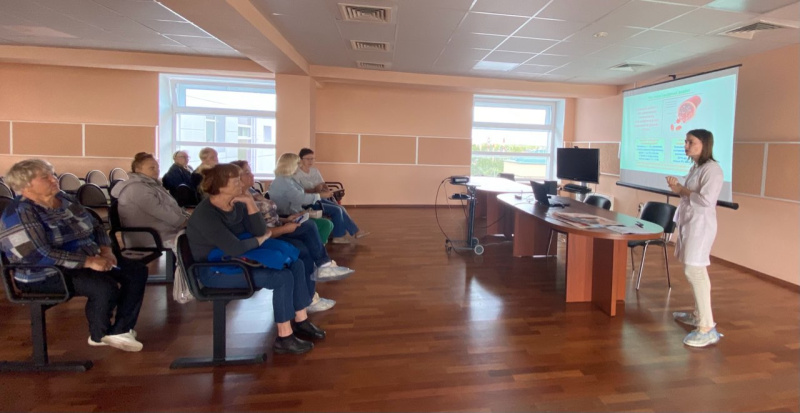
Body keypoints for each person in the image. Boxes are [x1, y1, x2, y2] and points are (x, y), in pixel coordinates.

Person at [0, 159, 148, 352]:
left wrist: (106, 250)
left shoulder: (65, 199)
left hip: (83, 259)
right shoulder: (20, 212)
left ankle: (121, 329)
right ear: (25, 184)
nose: (53, 179)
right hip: (44, 273)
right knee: (103, 285)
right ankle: (99, 334)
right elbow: (38, 254)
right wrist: (89, 262)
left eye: (52, 174)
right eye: (45, 177)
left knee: (136, 271)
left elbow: (96, 225)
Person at [186, 163, 324, 354]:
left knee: (297, 264)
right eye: (236, 181)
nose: (241, 183)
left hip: (238, 260)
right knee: (282, 277)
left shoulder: (237, 204)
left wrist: (250, 203)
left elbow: (259, 230)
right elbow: (235, 247)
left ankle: (301, 320)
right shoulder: (206, 214)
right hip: (215, 269)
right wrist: (261, 239)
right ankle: (284, 337)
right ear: (220, 186)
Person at [232, 160, 354, 312]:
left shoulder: (253, 191)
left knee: (308, 241)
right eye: (247, 172)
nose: (252, 175)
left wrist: (286, 220)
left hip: (278, 225)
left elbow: (269, 217)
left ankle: (310, 295)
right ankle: (320, 273)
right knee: (307, 235)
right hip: (269, 236)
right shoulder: (241, 200)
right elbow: (259, 229)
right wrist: (284, 228)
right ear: (236, 178)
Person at [666, 129, 724, 348]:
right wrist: (677, 189)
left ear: (704, 144)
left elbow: (706, 201)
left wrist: (682, 189)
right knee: (695, 270)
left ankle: (707, 329)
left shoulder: (713, 170)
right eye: (685, 142)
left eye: (691, 142)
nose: (686, 146)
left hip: (701, 226)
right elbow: (689, 194)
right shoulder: (696, 167)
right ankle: (699, 315)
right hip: (689, 223)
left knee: (694, 271)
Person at [272, 151, 367, 244]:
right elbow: (300, 197)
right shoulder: (285, 181)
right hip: (301, 207)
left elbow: (317, 186)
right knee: (336, 210)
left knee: (339, 208)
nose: (300, 165)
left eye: (312, 159)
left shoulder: (290, 178)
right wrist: (318, 193)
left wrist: (324, 191)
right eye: (307, 159)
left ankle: (351, 232)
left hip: (309, 202)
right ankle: (339, 236)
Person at [111, 152, 189, 248]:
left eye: (157, 167)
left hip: (164, 232)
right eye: (152, 168)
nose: (157, 171)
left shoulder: (152, 186)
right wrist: (184, 222)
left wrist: (188, 218)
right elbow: (160, 211)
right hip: (150, 237)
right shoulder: (136, 188)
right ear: (138, 170)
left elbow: (172, 206)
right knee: (198, 242)